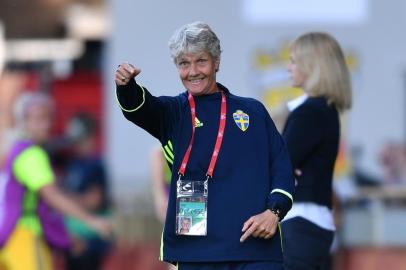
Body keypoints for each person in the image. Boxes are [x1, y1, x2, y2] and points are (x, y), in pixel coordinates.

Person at [115, 21, 294, 270]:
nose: (193, 71)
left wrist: (274, 212)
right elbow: (142, 109)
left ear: (216, 62)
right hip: (197, 249)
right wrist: (126, 86)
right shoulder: (174, 112)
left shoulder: (252, 110)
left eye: (201, 61)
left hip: (255, 246)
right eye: (184, 64)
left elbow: (282, 167)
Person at [0, 92, 111, 270]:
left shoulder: (19, 151)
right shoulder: (32, 155)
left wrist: (67, 237)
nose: (46, 125)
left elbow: (42, 204)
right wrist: (91, 221)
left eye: (48, 118)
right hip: (25, 237)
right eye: (38, 119)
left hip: (12, 237)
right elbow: (51, 196)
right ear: (24, 122)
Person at [281, 32, 352, 270]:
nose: (288, 67)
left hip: (300, 224)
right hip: (312, 225)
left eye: (293, 61)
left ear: (311, 65)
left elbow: (279, 163)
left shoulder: (309, 112)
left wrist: (279, 166)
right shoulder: (323, 110)